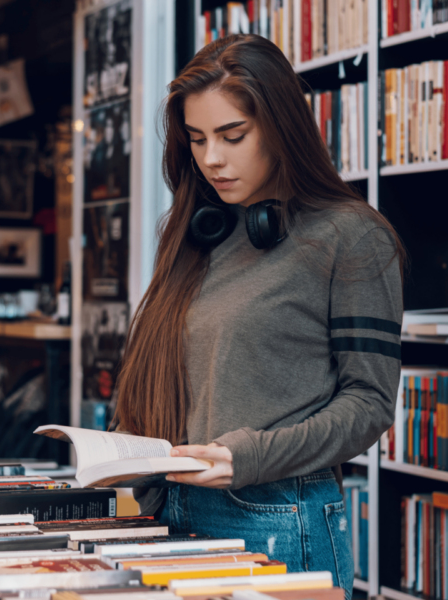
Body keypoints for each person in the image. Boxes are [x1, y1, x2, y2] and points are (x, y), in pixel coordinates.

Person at [113, 34, 404, 597]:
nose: (212, 159)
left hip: (272, 517)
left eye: (232, 135)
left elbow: (369, 405)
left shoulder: (351, 235)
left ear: (281, 127)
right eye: (196, 140)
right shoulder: (198, 234)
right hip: (169, 506)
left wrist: (244, 457)